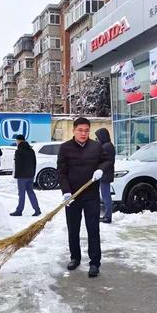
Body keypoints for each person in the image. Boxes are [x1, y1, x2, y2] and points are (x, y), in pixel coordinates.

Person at [57, 117, 110, 278]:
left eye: (86, 131)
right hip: (72, 196)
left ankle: (95, 263)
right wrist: (66, 192)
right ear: (73, 130)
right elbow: (61, 172)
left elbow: (107, 161)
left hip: (91, 195)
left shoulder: (96, 147)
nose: (83, 133)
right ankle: (75, 257)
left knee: (93, 229)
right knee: (73, 229)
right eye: (80, 130)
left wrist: (101, 169)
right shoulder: (65, 148)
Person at [10, 135, 41, 217]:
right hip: (30, 175)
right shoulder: (31, 150)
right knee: (31, 192)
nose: (16, 142)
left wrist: (16, 175)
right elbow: (34, 162)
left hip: (22, 176)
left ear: (19, 141)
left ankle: (19, 211)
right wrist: (33, 173)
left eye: (16, 141)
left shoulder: (19, 151)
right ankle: (37, 210)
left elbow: (18, 165)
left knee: (21, 193)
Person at [95, 128, 116, 224]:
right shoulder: (107, 145)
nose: (97, 139)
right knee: (105, 195)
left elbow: (104, 160)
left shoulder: (107, 146)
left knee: (106, 196)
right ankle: (107, 216)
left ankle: (108, 217)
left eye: (98, 137)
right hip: (105, 174)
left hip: (105, 174)